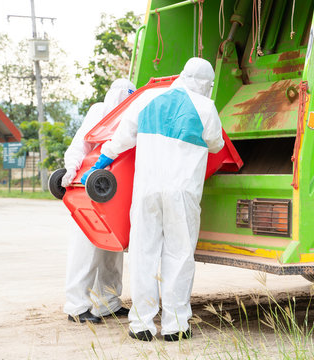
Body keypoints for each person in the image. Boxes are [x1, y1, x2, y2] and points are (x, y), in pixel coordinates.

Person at [82, 58, 224, 341]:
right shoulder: (205, 107)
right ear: (206, 85)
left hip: (145, 191)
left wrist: (101, 163)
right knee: (179, 255)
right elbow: (216, 144)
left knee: (143, 254)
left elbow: (122, 137)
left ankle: (141, 324)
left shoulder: (148, 97)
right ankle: (175, 325)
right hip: (181, 194)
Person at [62, 79, 136, 324]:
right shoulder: (99, 111)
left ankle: (108, 303)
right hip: (89, 188)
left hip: (113, 190)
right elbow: (79, 145)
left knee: (112, 250)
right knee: (84, 251)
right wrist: (71, 170)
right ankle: (76, 306)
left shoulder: (130, 115)